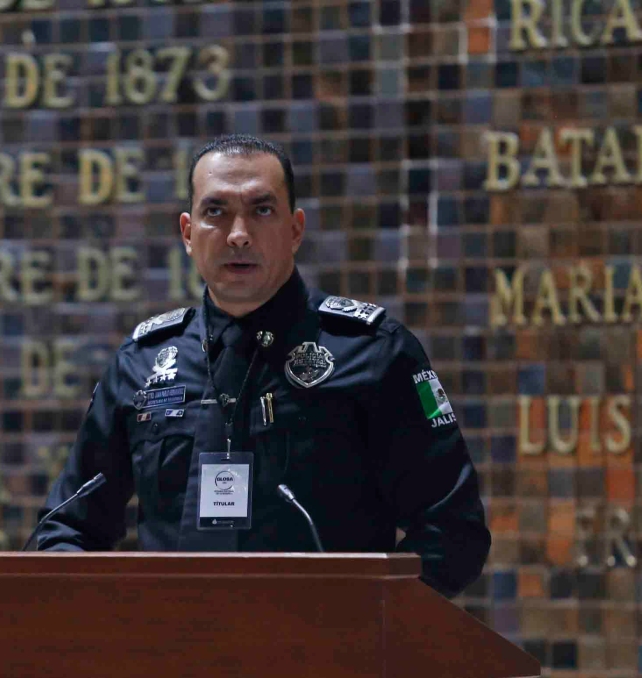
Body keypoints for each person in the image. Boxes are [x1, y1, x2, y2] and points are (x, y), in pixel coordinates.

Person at [29, 134, 490, 598]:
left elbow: (453, 532)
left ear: (295, 229)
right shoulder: (144, 362)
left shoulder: (372, 353)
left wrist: (359, 623)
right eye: (216, 212)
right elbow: (64, 530)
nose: (238, 234)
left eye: (261, 210)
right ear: (188, 234)